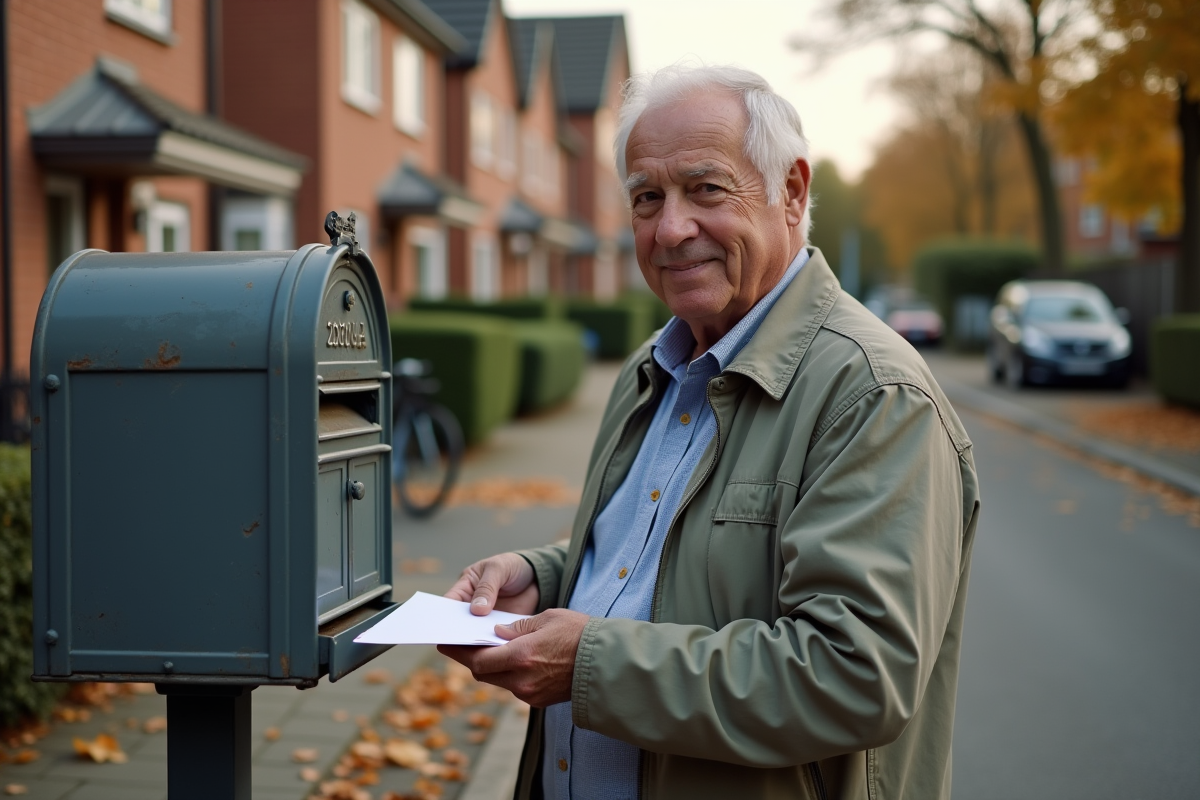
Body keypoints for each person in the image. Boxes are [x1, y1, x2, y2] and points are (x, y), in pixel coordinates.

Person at [438, 64, 980, 800]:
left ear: (792, 192)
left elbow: (853, 676)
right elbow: (670, 550)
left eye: (706, 189)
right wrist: (547, 576)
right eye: (647, 198)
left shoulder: (873, 394)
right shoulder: (652, 368)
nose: (671, 228)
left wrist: (591, 663)